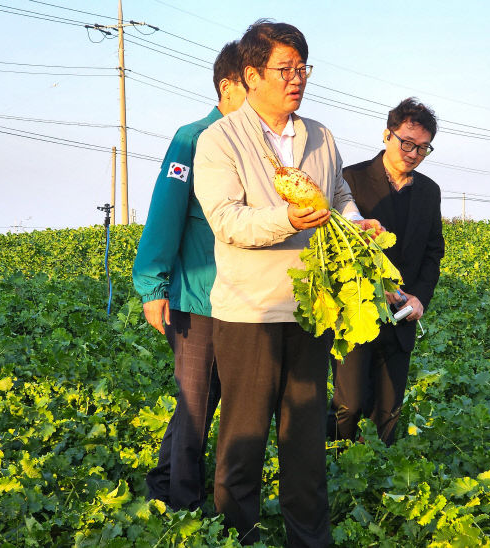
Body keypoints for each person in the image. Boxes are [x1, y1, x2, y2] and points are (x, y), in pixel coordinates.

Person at [193, 19, 381, 547]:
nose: (297, 78)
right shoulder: (219, 140)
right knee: (243, 438)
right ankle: (238, 536)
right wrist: (287, 220)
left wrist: (356, 222)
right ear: (252, 75)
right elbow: (227, 220)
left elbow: (338, 193)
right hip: (249, 312)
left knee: (304, 441)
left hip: (309, 309)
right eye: (285, 69)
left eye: (303, 68)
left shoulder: (320, 135)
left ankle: (309, 539)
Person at [131, 41, 246, 512]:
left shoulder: (257, 143)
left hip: (243, 300)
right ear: (229, 86)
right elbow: (165, 213)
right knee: (196, 406)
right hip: (196, 299)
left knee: (205, 401)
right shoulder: (192, 138)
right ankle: (184, 510)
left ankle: (162, 482)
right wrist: (153, 286)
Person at [328, 97, 445, 447]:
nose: (412, 153)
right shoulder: (351, 179)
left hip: (401, 315)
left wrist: (419, 297)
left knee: (389, 409)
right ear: (387, 135)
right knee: (348, 404)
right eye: (406, 143)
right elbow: (338, 249)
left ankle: (380, 478)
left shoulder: (428, 192)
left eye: (422, 148)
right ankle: (337, 467)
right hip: (357, 311)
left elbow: (432, 253)